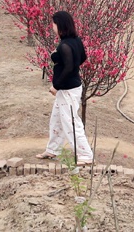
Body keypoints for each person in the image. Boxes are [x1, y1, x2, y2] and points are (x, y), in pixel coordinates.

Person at [38, 10, 93, 164]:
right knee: (56, 119)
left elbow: (69, 68)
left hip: (68, 90)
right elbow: (82, 58)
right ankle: (52, 149)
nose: (52, 26)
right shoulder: (75, 41)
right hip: (70, 88)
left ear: (60, 25)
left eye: (53, 23)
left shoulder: (65, 45)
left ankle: (85, 155)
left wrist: (56, 86)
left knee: (71, 122)